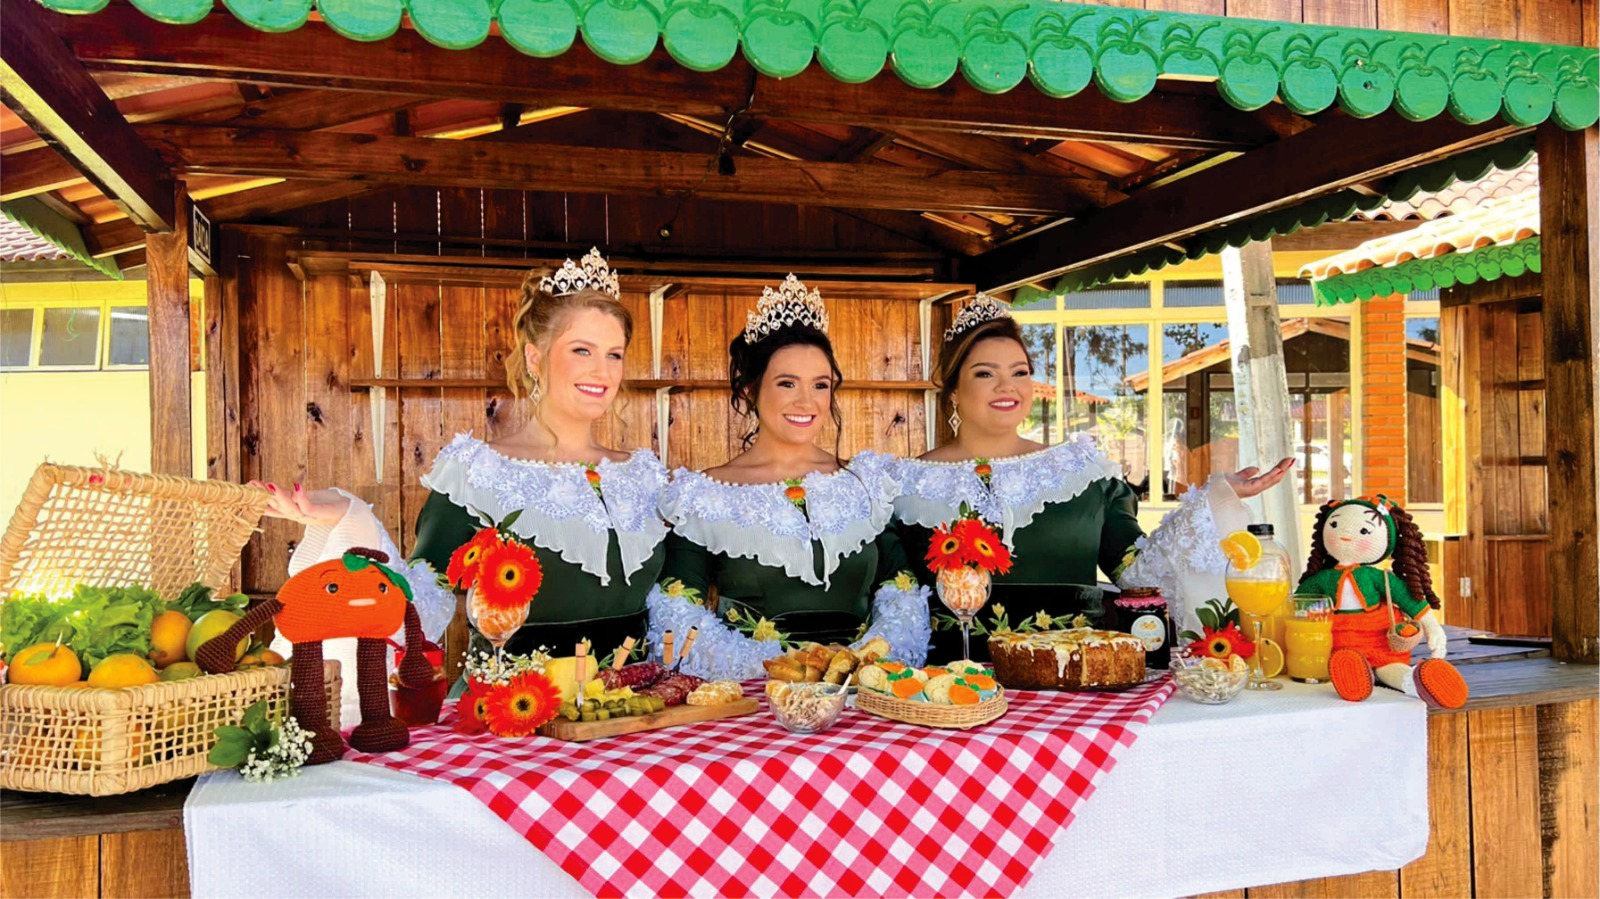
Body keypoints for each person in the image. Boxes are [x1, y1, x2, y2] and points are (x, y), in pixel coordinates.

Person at [252, 249, 668, 713]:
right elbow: (420, 597)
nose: (603, 371)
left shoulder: (643, 474)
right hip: (513, 715)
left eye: (614, 354)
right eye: (581, 351)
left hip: (630, 711)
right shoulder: (478, 471)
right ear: (535, 357)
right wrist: (348, 518)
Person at [894, 294, 1294, 662]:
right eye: (985, 374)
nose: (1008, 386)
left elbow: (1141, 575)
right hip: (950, 694)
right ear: (952, 390)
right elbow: (891, 600)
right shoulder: (902, 485)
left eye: (1021, 372)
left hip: (1071, 687)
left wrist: (1213, 501)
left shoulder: (1082, 474)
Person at [648, 275, 930, 678]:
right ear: (749, 390)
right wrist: (777, 670)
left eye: (820, 385)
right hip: (754, 703)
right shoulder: (704, 495)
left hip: (861, 698)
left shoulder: (865, 483)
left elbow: (901, 589)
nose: (807, 401)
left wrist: (862, 663)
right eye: (786, 383)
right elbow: (675, 610)